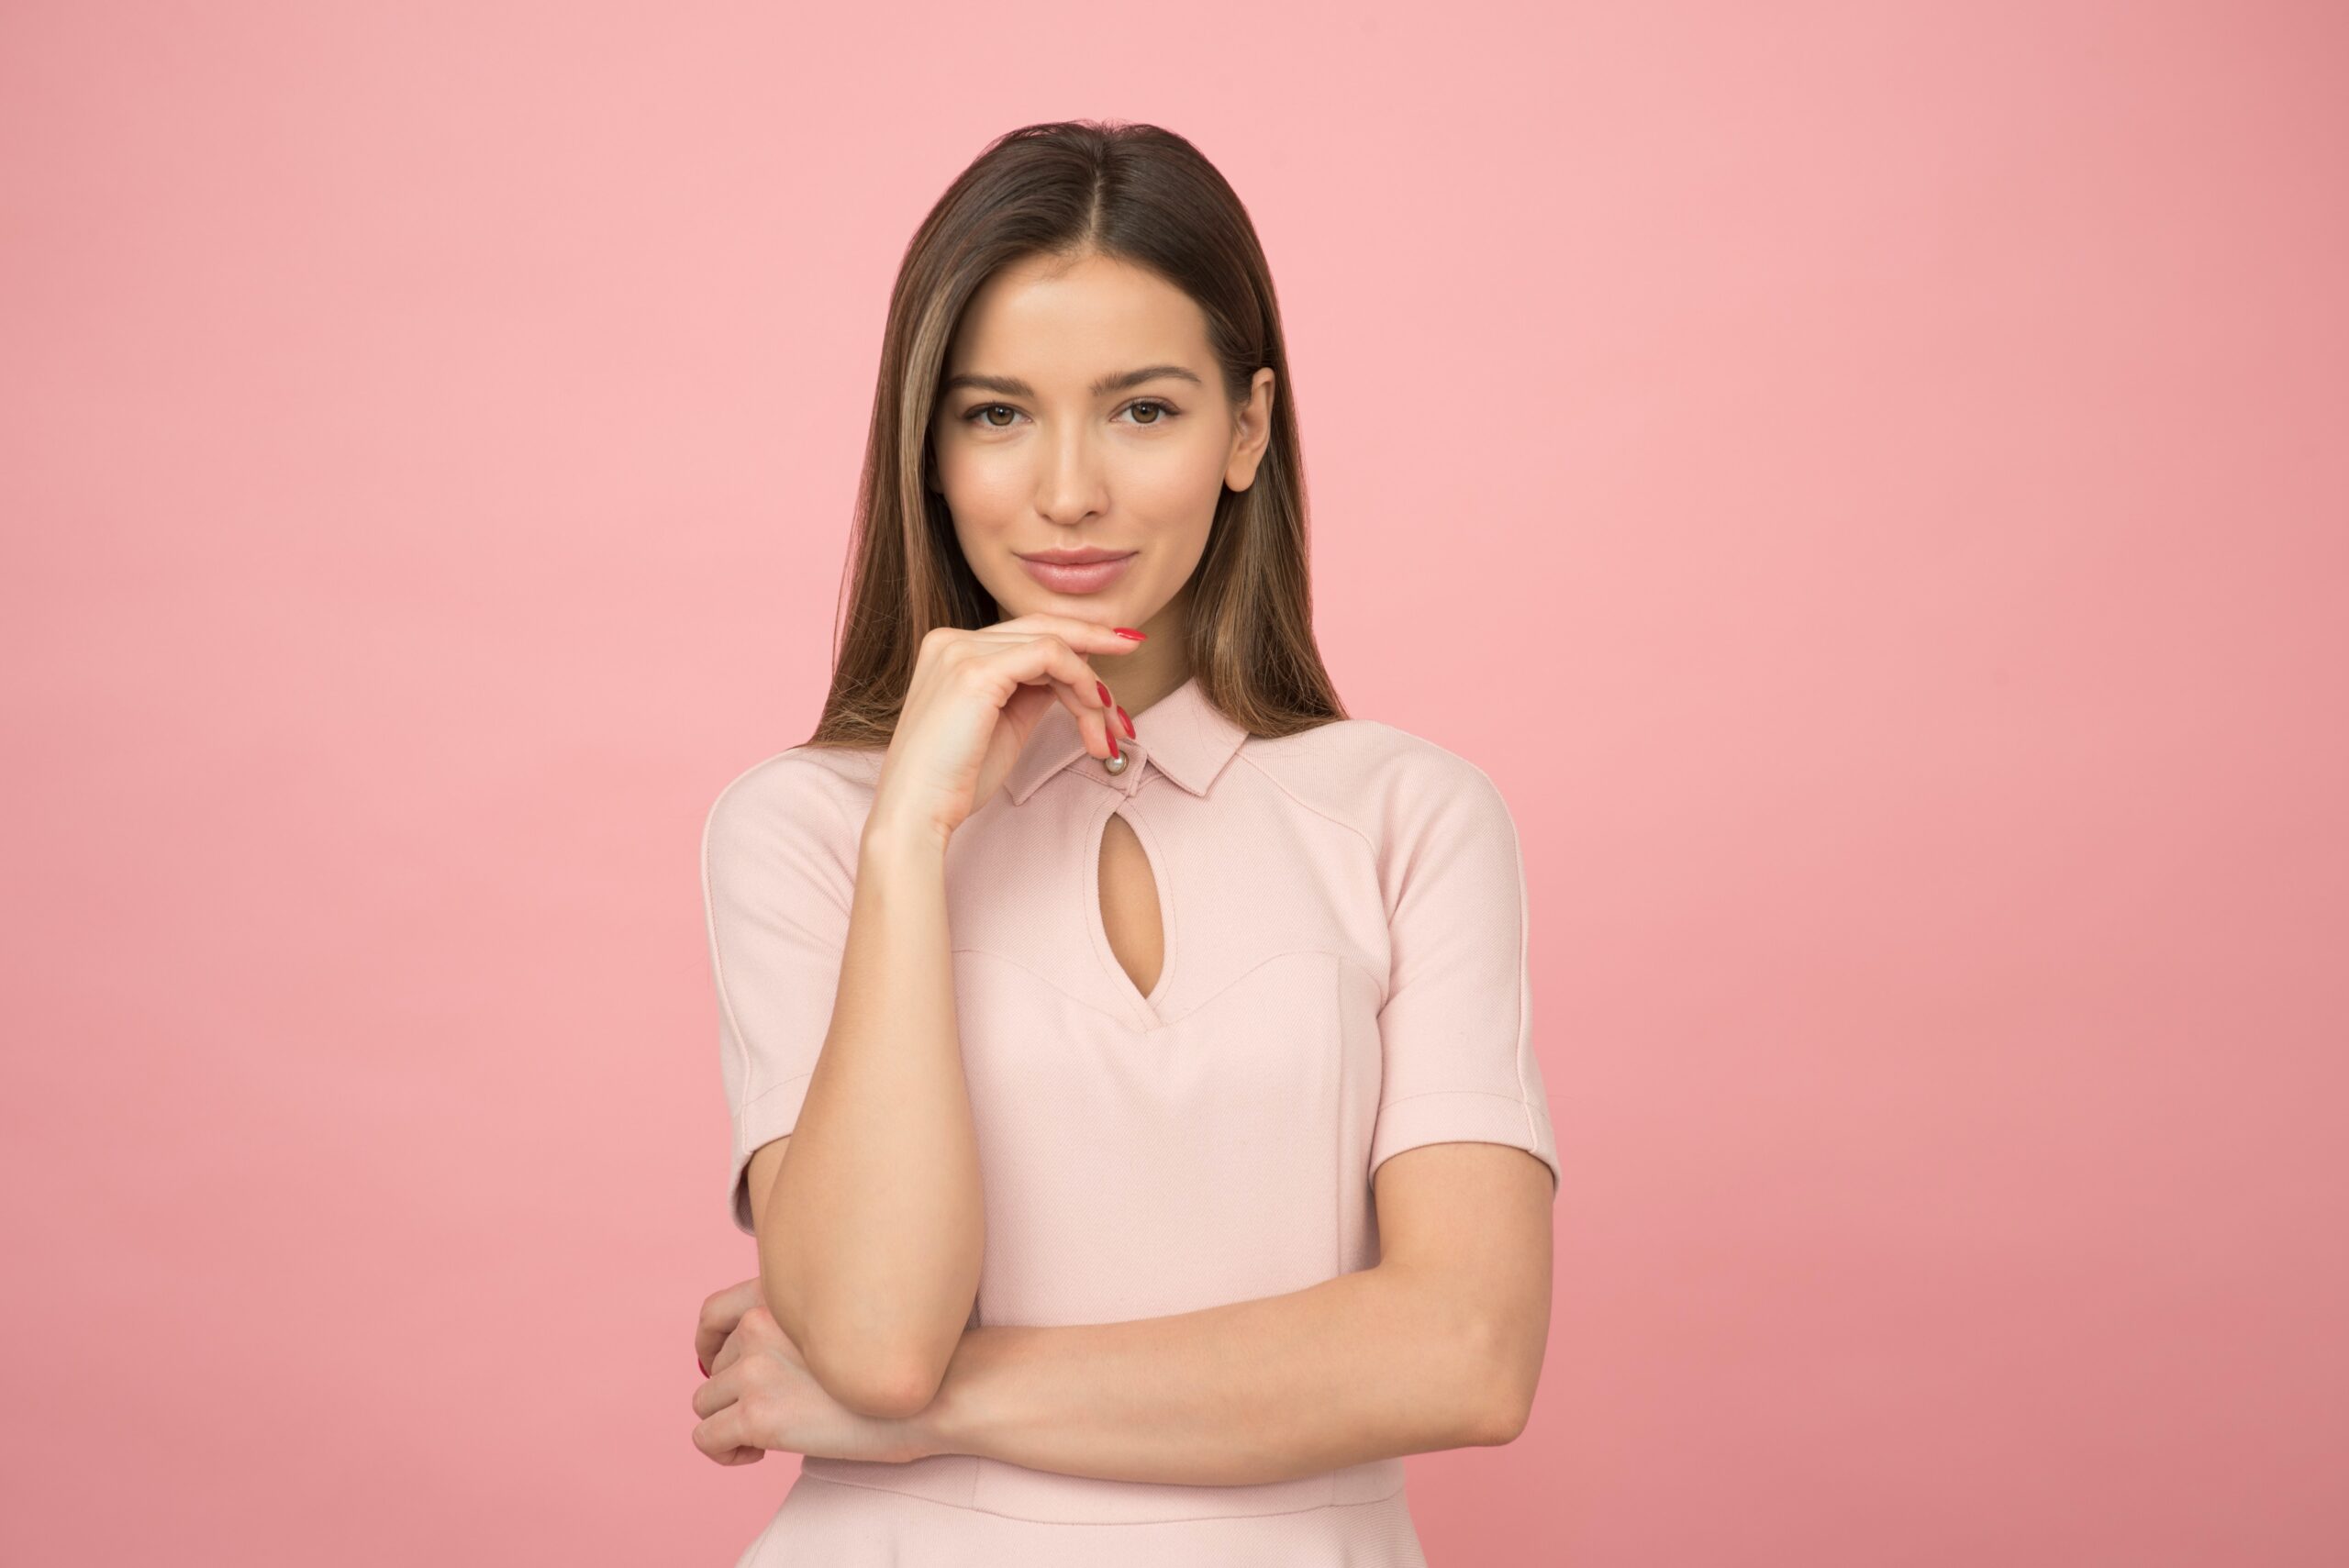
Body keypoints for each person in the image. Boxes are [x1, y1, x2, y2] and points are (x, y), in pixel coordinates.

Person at [686, 118, 1561, 1567]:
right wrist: (910, 831)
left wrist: (926, 1414)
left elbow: (1463, 1349)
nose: (1071, 488)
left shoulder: (1410, 815)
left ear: (1250, 429)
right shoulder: (806, 830)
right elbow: (877, 1337)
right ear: (928, 444)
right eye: (997, 413)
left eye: (1144, 409)